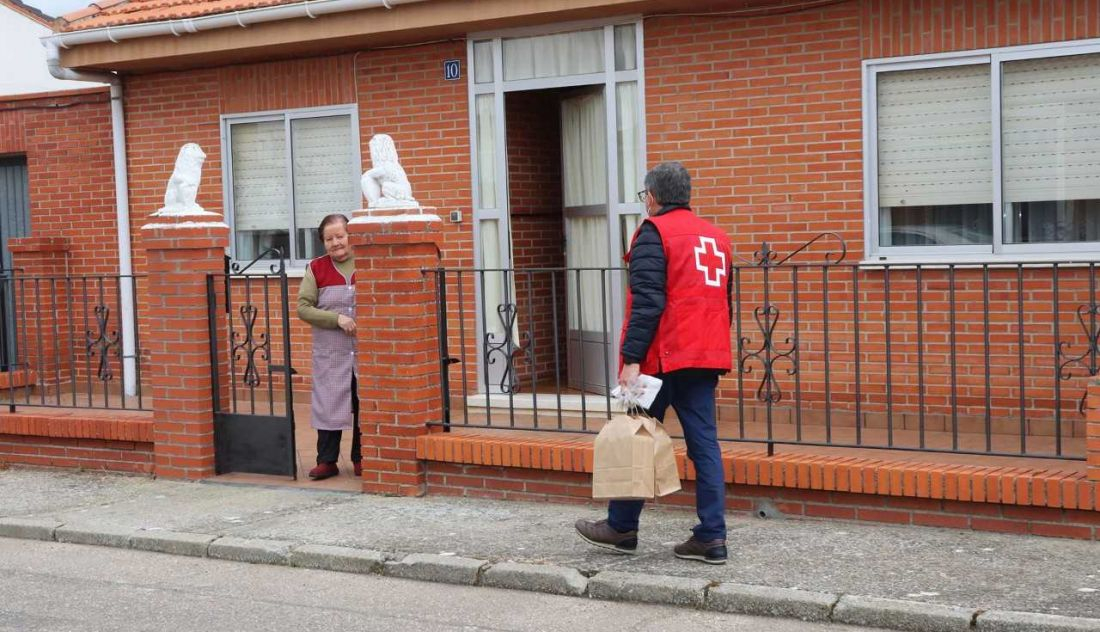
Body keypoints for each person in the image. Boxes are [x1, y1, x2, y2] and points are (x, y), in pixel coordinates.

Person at [575, 161, 733, 564]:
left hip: (662, 357)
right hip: (705, 354)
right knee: (705, 445)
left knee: (635, 437)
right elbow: (721, 300)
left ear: (651, 196)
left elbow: (647, 302)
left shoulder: (653, 232)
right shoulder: (717, 237)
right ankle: (712, 537)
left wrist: (631, 359)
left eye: (644, 195)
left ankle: (621, 527)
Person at [297, 213, 361, 480]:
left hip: (364, 350)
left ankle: (363, 458)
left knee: (364, 402)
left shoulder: (368, 262)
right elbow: (303, 308)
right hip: (331, 351)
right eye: (329, 239)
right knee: (329, 402)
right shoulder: (316, 268)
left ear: (350, 236)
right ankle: (327, 460)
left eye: (340, 236)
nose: (336, 243)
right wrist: (336, 318)